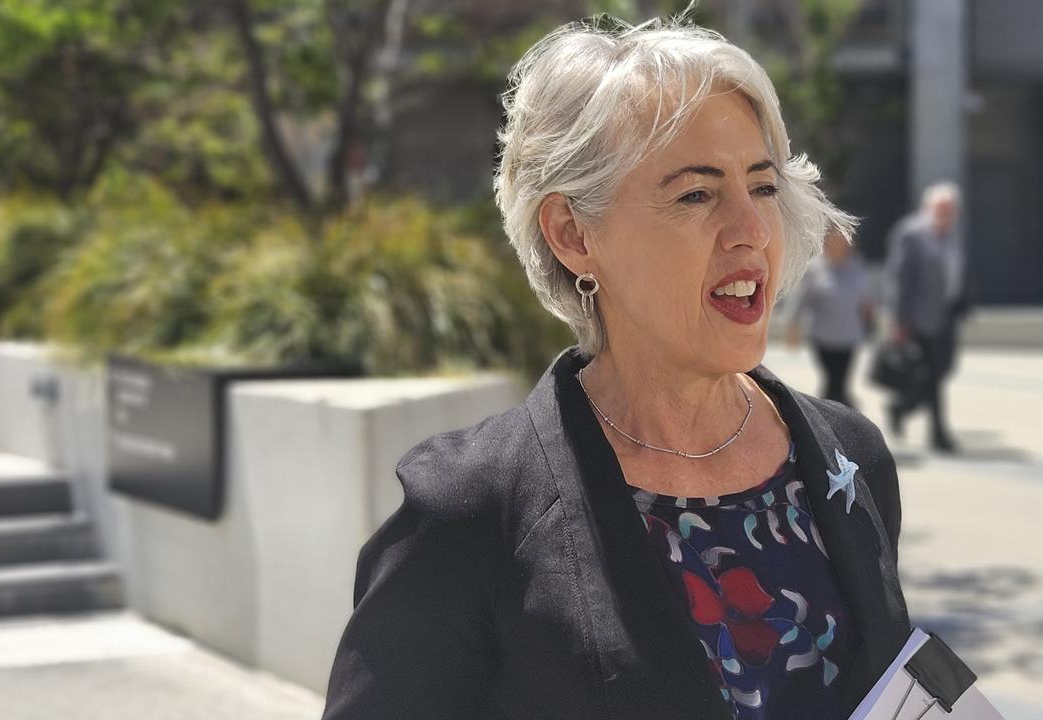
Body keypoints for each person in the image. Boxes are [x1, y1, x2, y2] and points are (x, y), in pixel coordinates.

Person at [322, 15, 910, 720]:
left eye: (760, 186)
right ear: (573, 234)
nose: (752, 229)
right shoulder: (469, 512)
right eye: (696, 193)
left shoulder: (852, 456)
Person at [882, 183, 969, 454]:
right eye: (941, 209)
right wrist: (898, 320)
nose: (947, 214)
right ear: (928, 208)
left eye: (951, 209)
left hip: (946, 315)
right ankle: (939, 434)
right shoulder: (913, 234)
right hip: (918, 317)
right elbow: (900, 279)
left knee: (943, 369)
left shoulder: (951, 235)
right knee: (932, 377)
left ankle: (901, 407)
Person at [787, 228, 874, 408]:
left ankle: (830, 416)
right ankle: (836, 415)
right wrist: (793, 325)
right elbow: (802, 300)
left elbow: (866, 298)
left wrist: (870, 319)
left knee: (838, 382)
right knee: (833, 381)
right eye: (835, 240)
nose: (840, 245)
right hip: (823, 337)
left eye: (844, 241)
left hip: (849, 336)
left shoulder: (857, 265)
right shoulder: (815, 268)